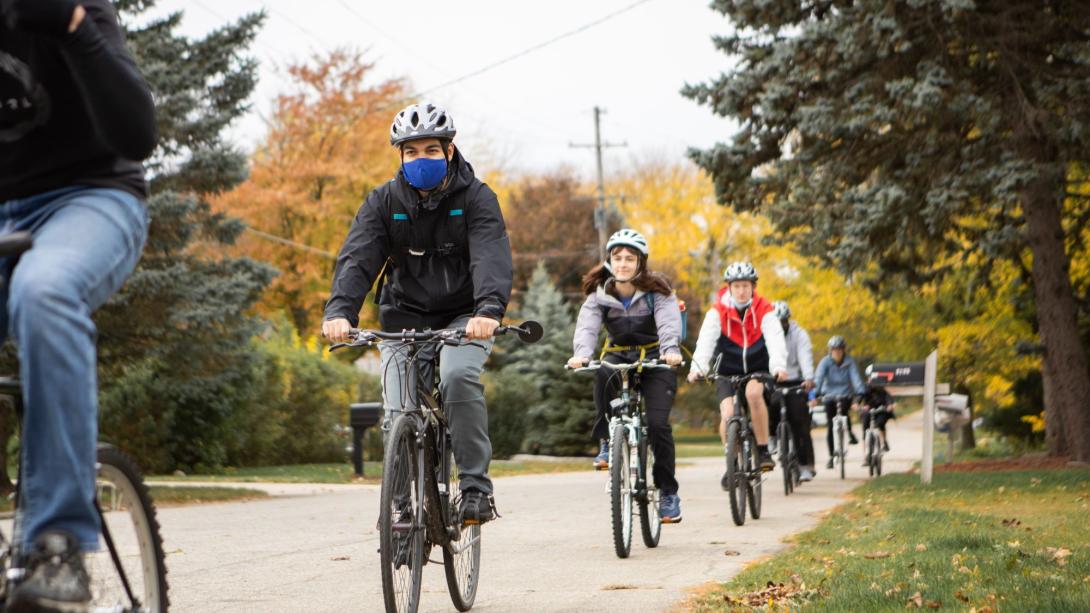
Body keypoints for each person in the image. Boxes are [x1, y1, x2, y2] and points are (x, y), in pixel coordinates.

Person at [1, 0, 156, 609]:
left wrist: (71, 24)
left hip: (89, 198)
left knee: (45, 290)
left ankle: (58, 542)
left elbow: (136, 134)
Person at [323, 102, 512, 525]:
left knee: (457, 376)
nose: (421, 159)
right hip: (403, 317)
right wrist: (340, 311)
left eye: (430, 150)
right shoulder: (384, 202)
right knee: (398, 412)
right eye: (411, 152)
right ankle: (401, 508)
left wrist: (489, 310)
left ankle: (475, 489)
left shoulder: (478, 198)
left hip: (466, 316)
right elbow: (358, 259)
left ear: (449, 150)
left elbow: (490, 256)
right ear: (400, 156)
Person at [568, 229, 684, 523]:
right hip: (619, 354)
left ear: (640, 262)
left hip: (656, 357)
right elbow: (587, 326)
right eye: (617, 258)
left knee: (658, 426)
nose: (622, 264)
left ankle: (668, 492)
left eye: (629, 259)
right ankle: (607, 440)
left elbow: (669, 323)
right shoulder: (601, 293)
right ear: (609, 261)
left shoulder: (659, 290)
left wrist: (670, 351)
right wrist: (582, 354)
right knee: (603, 373)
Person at [688, 262, 787, 486]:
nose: (741, 291)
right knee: (727, 413)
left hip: (757, 368)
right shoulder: (717, 312)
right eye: (736, 286)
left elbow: (775, 339)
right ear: (729, 288)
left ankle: (762, 451)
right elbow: (706, 341)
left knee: (754, 394)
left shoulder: (764, 309)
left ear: (753, 286)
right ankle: (732, 464)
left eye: (745, 286)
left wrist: (778, 366)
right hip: (727, 370)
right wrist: (698, 368)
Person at [770, 301, 818, 481]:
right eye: (777, 322)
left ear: (787, 320)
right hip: (773, 379)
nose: (780, 325)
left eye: (783, 321)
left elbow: (805, 356)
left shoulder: (799, 334)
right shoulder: (766, 334)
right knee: (768, 404)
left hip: (796, 381)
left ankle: (805, 465)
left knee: (800, 422)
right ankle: (772, 436)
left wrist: (808, 378)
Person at [814, 336, 866, 469]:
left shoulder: (850, 362)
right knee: (831, 425)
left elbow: (856, 378)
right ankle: (832, 456)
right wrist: (816, 393)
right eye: (834, 350)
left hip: (845, 394)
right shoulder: (825, 362)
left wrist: (859, 393)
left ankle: (848, 431)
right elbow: (819, 378)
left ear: (843, 350)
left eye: (839, 350)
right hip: (829, 395)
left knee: (844, 411)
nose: (837, 352)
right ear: (830, 351)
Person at [860, 375, 897, 465]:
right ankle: (865, 456)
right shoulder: (865, 390)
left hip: (881, 411)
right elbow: (858, 399)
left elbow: (889, 400)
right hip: (868, 412)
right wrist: (858, 405)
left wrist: (890, 406)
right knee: (865, 431)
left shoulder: (882, 391)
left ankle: (884, 441)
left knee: (881, 424)